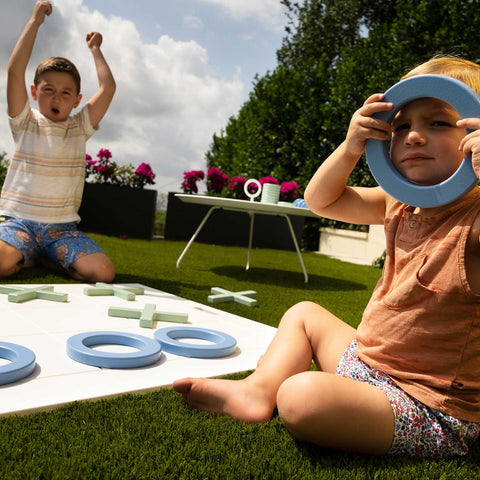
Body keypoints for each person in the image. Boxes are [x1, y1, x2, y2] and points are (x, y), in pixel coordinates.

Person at [173, 55, 480, 458]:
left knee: (302, 396)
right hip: (370, 366)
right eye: (401, 125)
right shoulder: (398, 202)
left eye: (437, 123)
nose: (413, 137)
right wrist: (351, 146)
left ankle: (284, 393)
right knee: (304, 313)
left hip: (429, 407)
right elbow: (322, 201)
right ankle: (256, 391)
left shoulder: (473, 222)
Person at [0, 1, 116, 282]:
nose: (56, 97)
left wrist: (95, 50)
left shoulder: (79, 126)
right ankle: (26, 256)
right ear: (34, 92)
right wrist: (35, 21)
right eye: (48, 89)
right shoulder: (25, 121)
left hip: (62, 230)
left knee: (104, 273)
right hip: (19, 224)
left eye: (66, 93)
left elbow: (108, 88)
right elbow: (15, 69)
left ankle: (44, 257)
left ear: (77, 100)